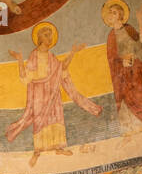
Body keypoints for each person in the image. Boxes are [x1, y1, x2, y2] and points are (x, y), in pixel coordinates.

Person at [6, 22, 101, 166]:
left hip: (53, 93)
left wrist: (73, 53)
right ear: (39, 38)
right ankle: (37, 151)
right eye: (46, 35)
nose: (49, 38)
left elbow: (61, 69)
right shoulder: (34, 55)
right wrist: (20, 59)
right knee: (40, 120)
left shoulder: (51, 56)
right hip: (39, 93)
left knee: (56, 118)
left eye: (50, 36)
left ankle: (58, 147)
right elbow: (26, 77)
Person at [102, 0, 142, 131]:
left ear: (121, 16)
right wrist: (121, 62)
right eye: (110, 12)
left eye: (114, 12)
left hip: (134, 70)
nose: (111, 14)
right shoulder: (111, 36)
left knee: (138, 99)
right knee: (124, 101)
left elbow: (141, 42)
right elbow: (112, 59)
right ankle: (128, 133)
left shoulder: (129, 29)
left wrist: (140, 19)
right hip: (122, 76)